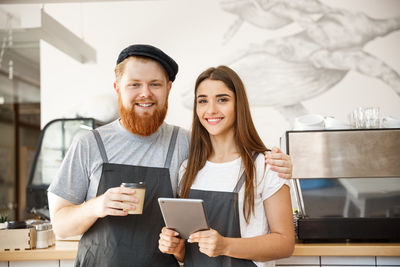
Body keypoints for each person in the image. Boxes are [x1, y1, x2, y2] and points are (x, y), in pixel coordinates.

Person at [48, 44, 293, 266]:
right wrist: (96, 206)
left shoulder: (187, 145)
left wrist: (282, 165)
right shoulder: (89, 144)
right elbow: (60, 226)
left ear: (168, 89)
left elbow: (231, 158)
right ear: (118, 88)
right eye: (134, 84)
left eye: (155, 84)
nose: (145, 93)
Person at [159, 65, 294, 266]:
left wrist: (224, 245)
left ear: (238, 105)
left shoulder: (266, 165)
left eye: (222, 99)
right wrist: (177, 249)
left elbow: (284, 244)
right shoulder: (188, 169)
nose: (211, 109)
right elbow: (187, 252)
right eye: (203, 101)